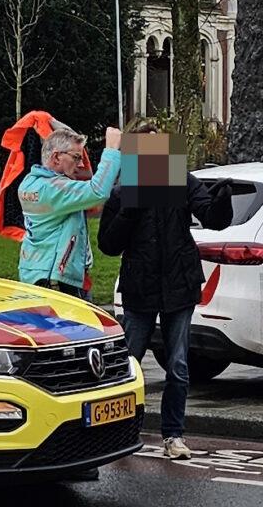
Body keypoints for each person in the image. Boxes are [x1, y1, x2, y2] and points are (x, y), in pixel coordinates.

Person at [97, 125, 230, 460]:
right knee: (129, 362)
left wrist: (222, 200)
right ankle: (121, 432)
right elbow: (108, 244)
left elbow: (213, 218)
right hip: (140, 287)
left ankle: (173, 435)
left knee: (179, 363)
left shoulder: (182, 181)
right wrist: (131, 208)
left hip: (179, 284)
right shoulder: (122, 191)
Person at [0, 117, 122, 298]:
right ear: (56, 157)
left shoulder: (32, 183)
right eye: (76, 157)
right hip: (56, 283)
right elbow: (97, 191)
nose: (80, 164)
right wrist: (111, 150)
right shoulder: (53, 189)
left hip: (42, 274)